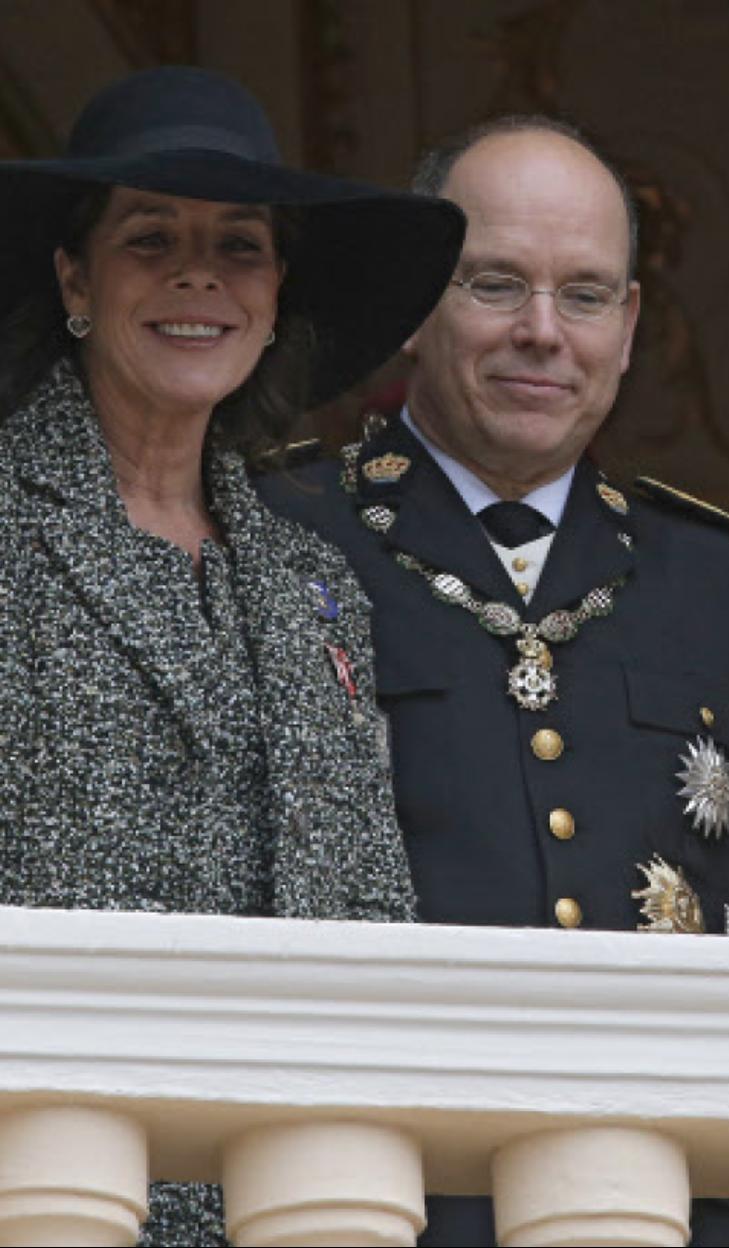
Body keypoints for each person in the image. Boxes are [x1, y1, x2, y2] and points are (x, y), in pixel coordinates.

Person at [260, 115, 729, 1245]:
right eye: (496, 285)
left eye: (583, 295)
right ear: (418, 307)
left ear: (627, 328)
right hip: (369, 1202)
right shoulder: (280, 536)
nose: (540, 334)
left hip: (668, 1208)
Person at [0, 66, 463, 1246]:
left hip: (293, 1201)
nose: (198, 276)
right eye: (151, 238)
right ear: (75, 280)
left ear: (272, 300)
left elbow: (374, 917)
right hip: (49, 1187)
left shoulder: (313, 587)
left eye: (240, 247)